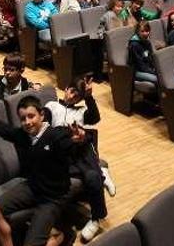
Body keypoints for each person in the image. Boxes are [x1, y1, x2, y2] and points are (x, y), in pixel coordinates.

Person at [0, 96, 87, 246]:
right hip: (32, 187)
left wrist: (80, 141)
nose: (27, 122)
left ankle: (62, 236)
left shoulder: (56, 135)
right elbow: (4, 130)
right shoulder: (24, 136)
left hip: (53, 197)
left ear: (41, 115)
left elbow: (70, 147)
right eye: (23, 119)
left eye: (31, 116)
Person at [43, 77, 115, 241]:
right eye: (73, 91)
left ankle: (96, 219)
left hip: (81, 152)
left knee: (90, 171)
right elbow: (44, 125)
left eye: (79, 95)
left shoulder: (81, 111)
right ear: (66, 89)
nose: (74, 96)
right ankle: (101, 171)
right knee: (90, 170)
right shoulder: (52, 106)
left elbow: (95, 118)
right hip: (63, 152)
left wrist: (89, 97)